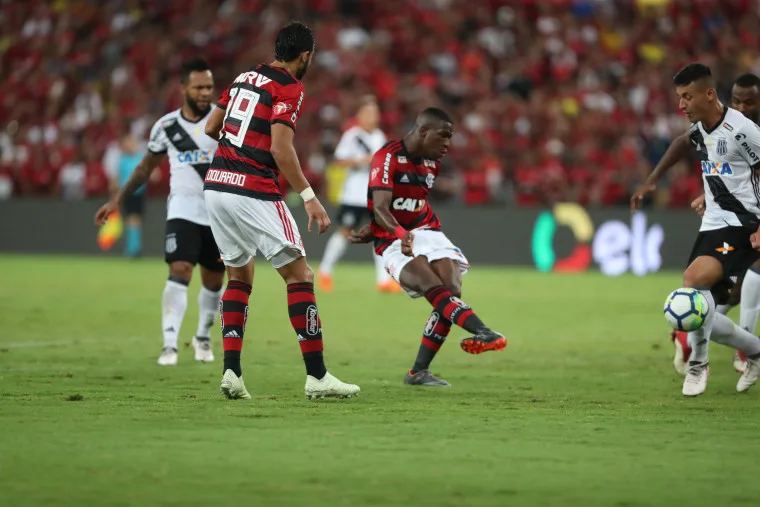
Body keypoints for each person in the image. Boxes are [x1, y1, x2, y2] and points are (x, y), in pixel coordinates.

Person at [201, 21, 359, 400]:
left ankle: (232, 373)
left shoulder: (243, 77)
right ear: (305, 55)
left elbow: (211, 126)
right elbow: (280, 149)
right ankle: (318, 377)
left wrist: (237, 148)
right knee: (300, 276)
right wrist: (308, 194)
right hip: (253, 189)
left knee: (239, 278)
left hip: (216, 186)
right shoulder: (290, 86)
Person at [348, 107, 506, 388]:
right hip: (394, 238)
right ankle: (484, 331)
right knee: (434, 288)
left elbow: (411, 206)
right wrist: (391, 233)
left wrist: (390, 230)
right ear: (423, 131)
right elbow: (382, 207)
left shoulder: (432, 164)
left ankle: (417, 372)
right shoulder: (387, 157)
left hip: (427, 230)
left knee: (452, 291)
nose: (448, 144)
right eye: (443, 136)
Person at [631, 63, 760, 396]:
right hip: (713, 225)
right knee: (705, 312)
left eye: (687, 96)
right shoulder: (702, 128)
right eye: (679, 97)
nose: (681, 104)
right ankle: (756, 351)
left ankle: (698, 366)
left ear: (709, 94)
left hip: (743, 225)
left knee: (692, 283)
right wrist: (651, 181)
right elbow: (681, 143)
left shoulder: (742, 130)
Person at [95, 58, 225, 366]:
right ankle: (169, 344)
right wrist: (117, 200)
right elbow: (145, 168)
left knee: (213, 280)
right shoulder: (166, 126)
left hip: (219, 213)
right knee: (179, 269)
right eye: (199, 87)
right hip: (182, 210)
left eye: (209, 86)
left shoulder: (224, 121)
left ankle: (203, 337)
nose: (206, 92)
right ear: (183, 88)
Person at [317, 96, 401, 293]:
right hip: (354, 194)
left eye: (375, 113)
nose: (373, 117)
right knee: (345, 232)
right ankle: (325, 271)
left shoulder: (379, 136)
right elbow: (339, 161)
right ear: (360, 116)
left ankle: (383, 280)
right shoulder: (352, 136)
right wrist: (363, 160)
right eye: (369, 113)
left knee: (380, 234)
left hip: (373, 194)